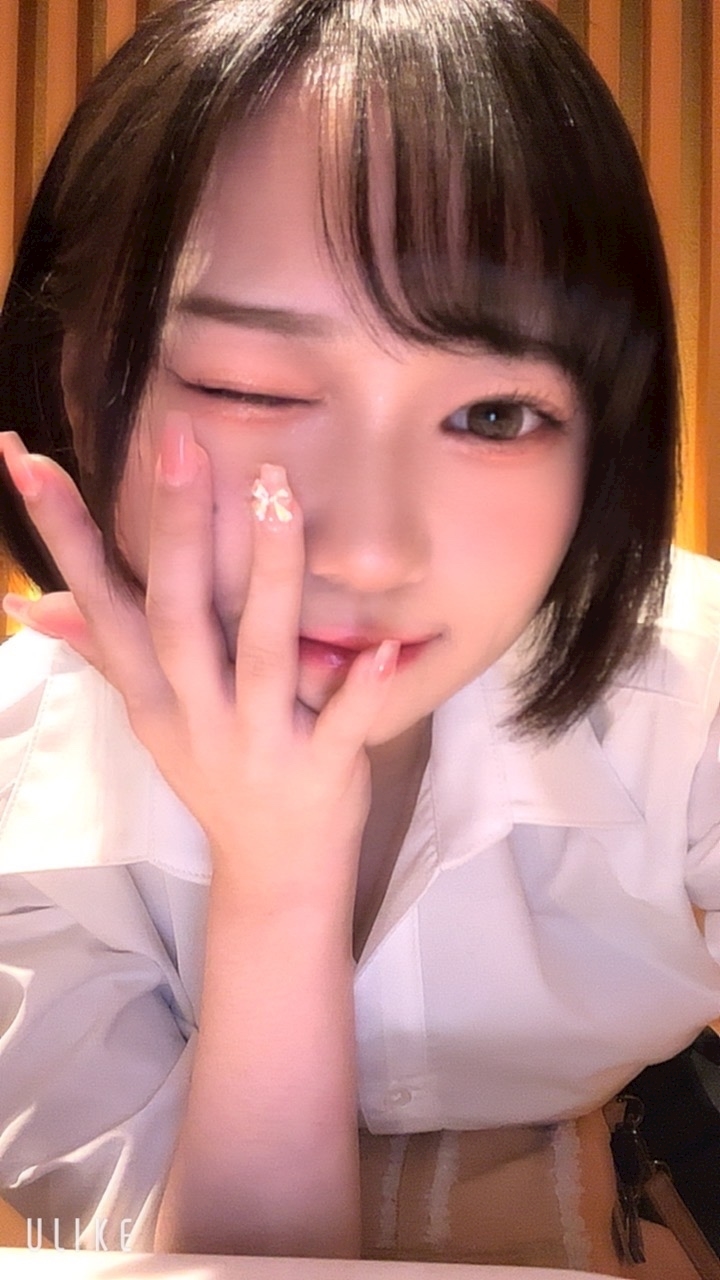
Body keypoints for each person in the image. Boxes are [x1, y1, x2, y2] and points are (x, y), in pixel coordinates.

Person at [0, 0, 717, 1273]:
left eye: (496, 415)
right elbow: (225, 1254)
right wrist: (278, 872)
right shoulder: (20, 783)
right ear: (75, 379)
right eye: (251, 387)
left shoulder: (689, 696)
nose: (373, 552)